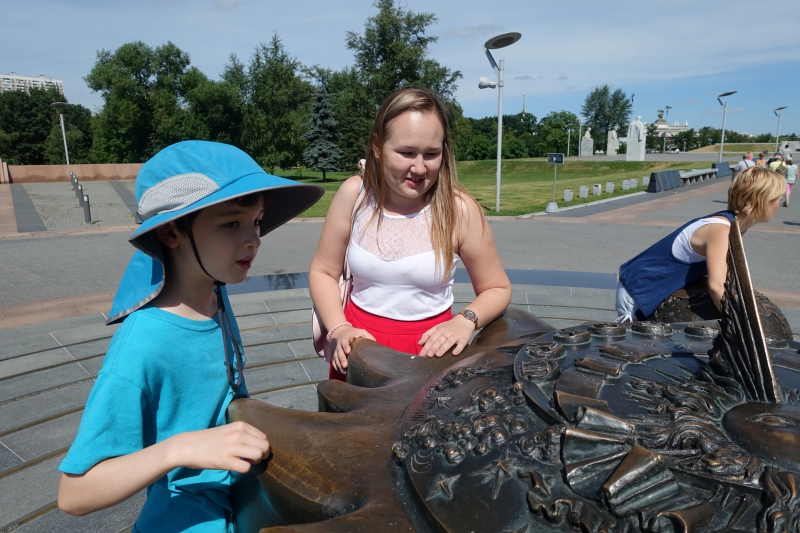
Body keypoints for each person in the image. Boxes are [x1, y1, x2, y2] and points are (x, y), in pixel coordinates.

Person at [57, 141, 323, 531]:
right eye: (231, 224)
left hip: (243, 503)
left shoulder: (216, 292)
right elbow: (74, 493)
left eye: (257, 221)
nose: (253, 239)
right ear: (170, 232)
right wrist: (181, 447)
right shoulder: (145, 343)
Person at [309, 88, 512, 381]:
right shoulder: (354, 195)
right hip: (358, 350)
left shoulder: (459, 210)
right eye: (406, 153)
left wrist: (465, 321)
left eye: (431, 154)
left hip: (430, 355)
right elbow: (323, 271)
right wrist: (339, 329)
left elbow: (497, 288)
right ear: (378, 147)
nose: (419, 168)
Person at [616, 166, 784, 322]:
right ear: (763, 201)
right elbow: (716, 286)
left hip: (646, 288)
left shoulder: (732, 225)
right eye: (778, 198)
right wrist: (742, 323)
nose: (779, 204)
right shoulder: (720, 229)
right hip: (639, 293)